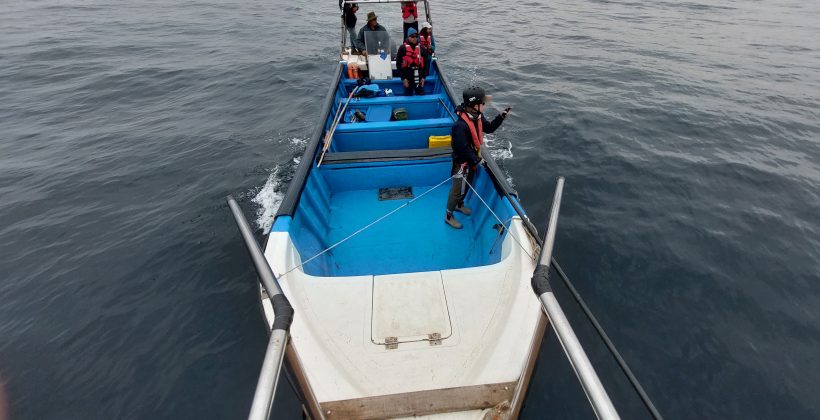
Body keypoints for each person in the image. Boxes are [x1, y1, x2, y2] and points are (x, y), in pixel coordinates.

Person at [444, 86, 512, 229]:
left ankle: (459, 205)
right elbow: (460, 148)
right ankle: (448, 216)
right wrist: (476, 160)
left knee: (467, 186)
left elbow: (489, 128)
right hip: (461, 164)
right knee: (456, 191)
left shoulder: (478, 117)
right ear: (475, 106)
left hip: (472, 162)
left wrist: (501, 117)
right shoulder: (460, 126)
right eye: (483, 103)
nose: (484, 105)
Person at [395, 28, 425, 96]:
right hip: (407, 77)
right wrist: (403, 79)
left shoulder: (422, 48)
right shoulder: (402, 48)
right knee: (408, 95)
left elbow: (425, 64)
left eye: (416, 36)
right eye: (412, 36)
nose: (414, 38)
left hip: (419, 77)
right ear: (408, 37)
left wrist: (424, 77)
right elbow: (398, 64)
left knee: (421, 95)